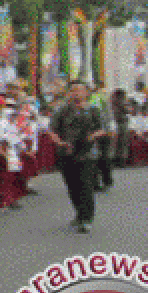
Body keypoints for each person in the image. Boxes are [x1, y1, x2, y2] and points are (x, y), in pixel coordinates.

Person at [49, 80, 108, 233]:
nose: (77, 93)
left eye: (80, 90)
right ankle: (79, 213)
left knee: (86, 185)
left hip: (87, 153)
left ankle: (87, 218)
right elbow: (52, 130)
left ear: (86, 93)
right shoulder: (61, 110)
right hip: (66, 152)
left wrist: (92, 136)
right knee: (72, 186)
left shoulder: (94, 109)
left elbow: (104, 129)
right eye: (74, 90)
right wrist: (59, 142)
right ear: (69, 93)